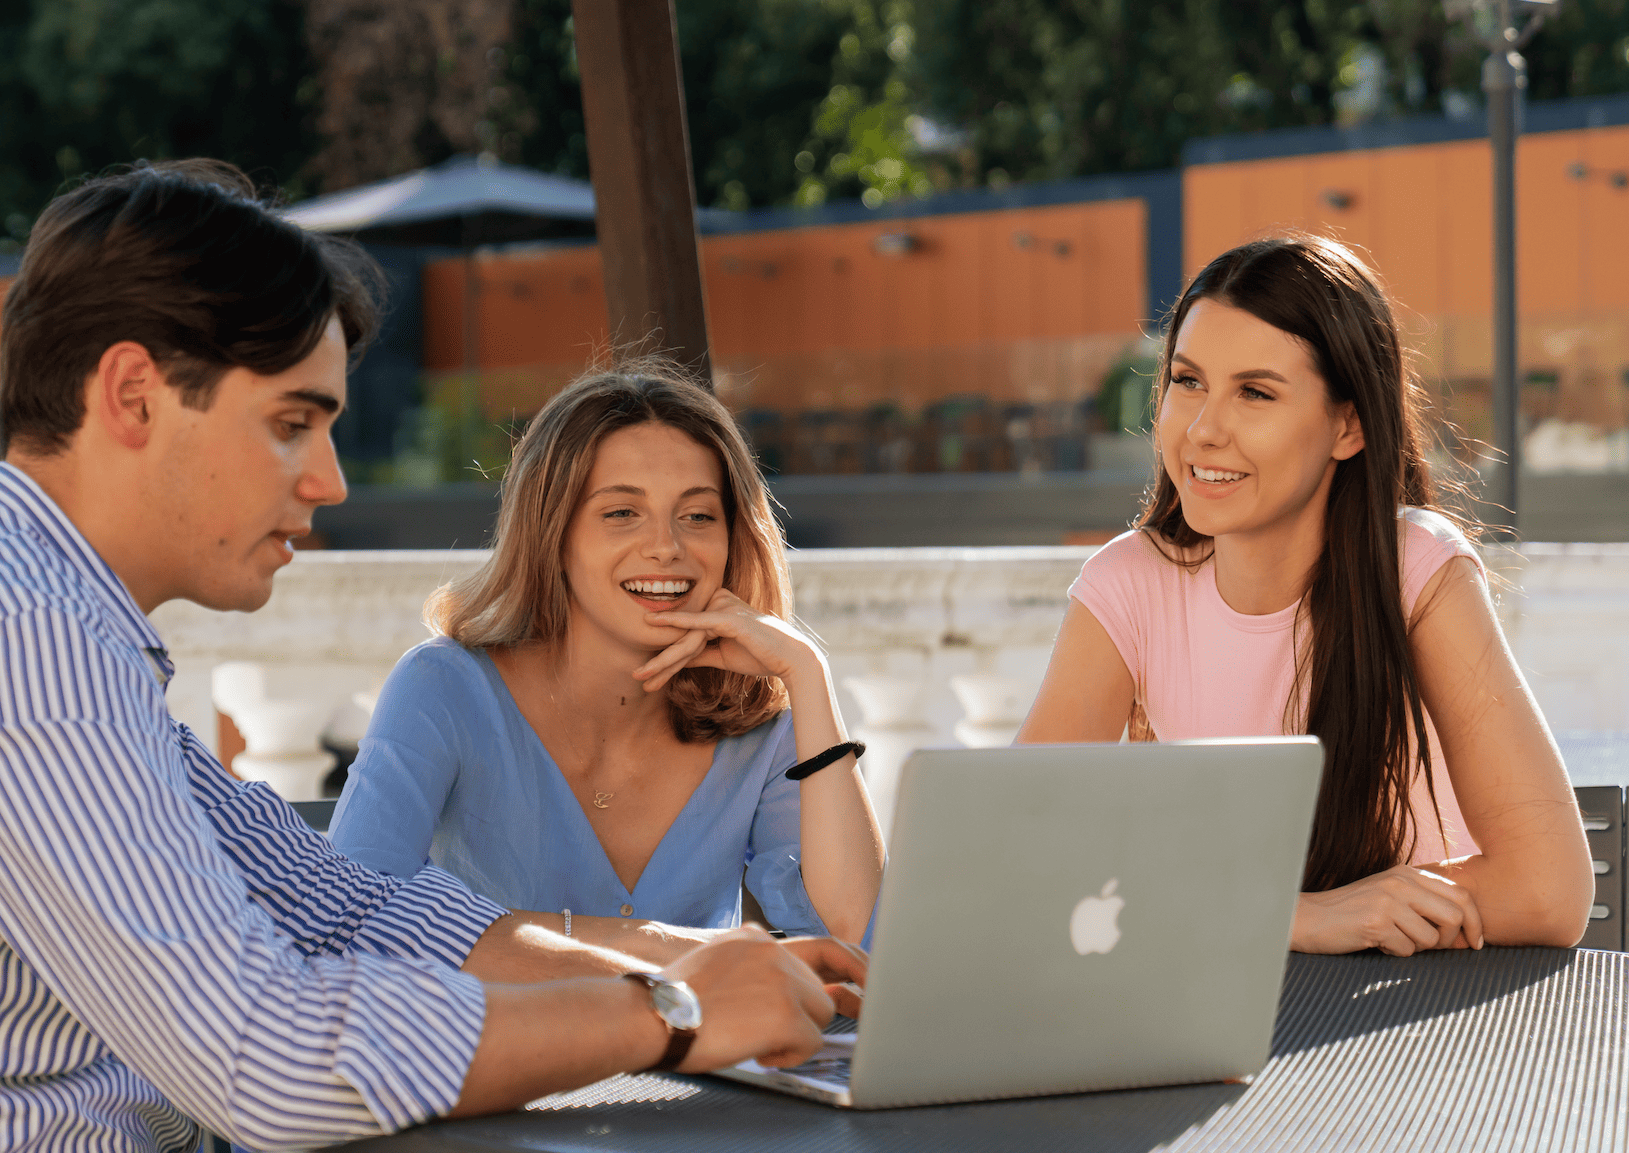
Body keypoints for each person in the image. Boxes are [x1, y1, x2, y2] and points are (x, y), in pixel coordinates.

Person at [0, 161, 866, 1152]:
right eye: (291, 423)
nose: (329, 480)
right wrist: (666, 1012)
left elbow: (342, 907)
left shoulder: (36, 621)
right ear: (132, 395)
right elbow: (265, 1060)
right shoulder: (3, 647)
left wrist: (685, 956)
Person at [1017, 234, 1592, 957]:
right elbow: (1017, 861)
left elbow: (1548, 891)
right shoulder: (1129, 584)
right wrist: (1301, 917)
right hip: (1234, 1009)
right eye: (1188, 381)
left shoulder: (1416, 566)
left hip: (1414, 1015)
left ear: (1347, 425)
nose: (1203, 429)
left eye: (1254, 392)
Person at [329, 366, 883, 952]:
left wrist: (808, 674)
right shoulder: (444, 689)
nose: (667, 547)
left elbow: (856, 940)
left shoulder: (756, 719)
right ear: (553, 535)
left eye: (698, 516)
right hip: (492, 1042)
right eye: (622, 512)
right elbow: (351, 915)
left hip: (701, 1046)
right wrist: (651, 944)